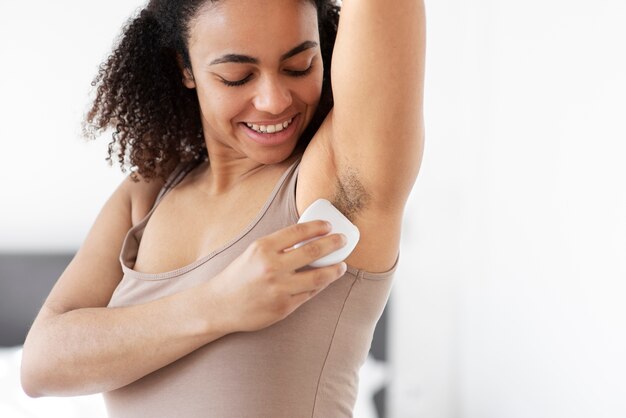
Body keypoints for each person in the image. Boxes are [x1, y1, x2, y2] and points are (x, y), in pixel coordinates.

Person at [21, 0, 425, 416]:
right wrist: (221, 303)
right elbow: (40, 367)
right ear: (186, 68)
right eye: (237, 76)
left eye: (299, 66)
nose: (273, 100)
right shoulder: (149, 192)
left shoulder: (339, 179)